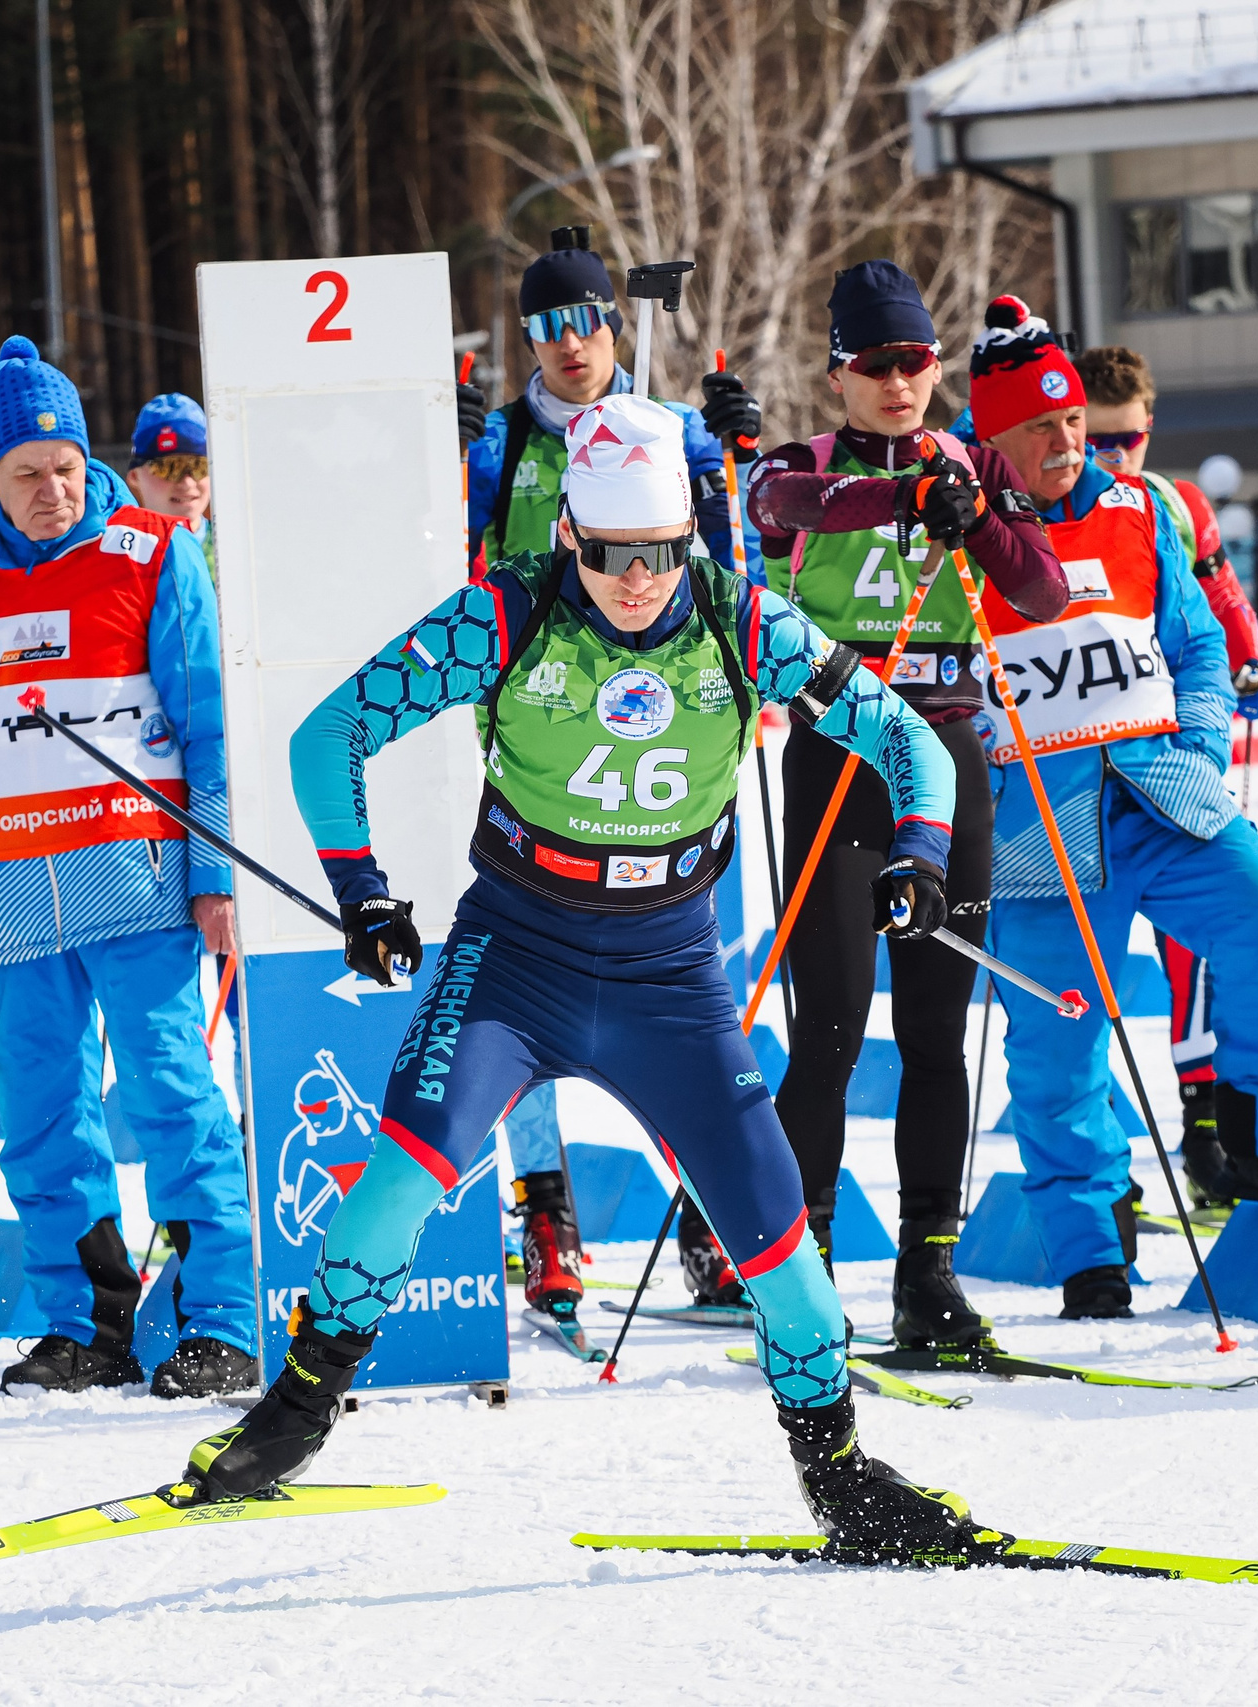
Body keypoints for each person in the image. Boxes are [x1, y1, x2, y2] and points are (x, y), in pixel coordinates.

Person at [181, 392, 990, 1563]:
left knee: (788, 1266)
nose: (635, 577)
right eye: (609, 552)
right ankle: (295, 1413)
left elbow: (909, 739)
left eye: (660, 551)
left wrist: (915, 846)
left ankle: (842, 1480)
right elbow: (327, 736)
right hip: (517, 957)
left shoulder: (744, 624)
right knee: (389, 1194)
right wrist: (359, 890)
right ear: (569, 533)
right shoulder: (501, 621)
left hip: (673, 979)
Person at [0, 336, 257, 1400]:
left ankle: (219, 1321)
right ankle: (85, 1324)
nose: (50, 491)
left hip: (135, 882)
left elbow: (207, 727)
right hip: (11, 899)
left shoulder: (149, 551)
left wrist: (214, 874)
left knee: (171, 1097)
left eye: (63, 466)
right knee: (43, 1117)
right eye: (25, 475)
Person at [968, 296, 1258, 1321]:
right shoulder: (956, 519)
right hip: (1041, 815)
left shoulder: (1137, 509)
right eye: (1039, 428)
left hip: (1160, 788)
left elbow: (1197, 642)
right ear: (991, 436)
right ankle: (1089, 1247)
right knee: (1055, 1039)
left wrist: (1202, 741)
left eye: (1072, 420)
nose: (1065, 441)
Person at [741, 260, 1065, 1346]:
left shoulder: (971, 462)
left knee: (936, 1028)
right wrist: (900, 496)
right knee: (827, 1028)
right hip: (838, 752)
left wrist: (971, 517)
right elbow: (782, 504)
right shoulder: (805, 461)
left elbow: (1041, 589)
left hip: (949, 744)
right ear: (839, 375)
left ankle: (928, 1275)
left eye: (917, 361)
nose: (899, 382)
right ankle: (805, 1279)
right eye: (876, 364)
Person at [457, 226, 765, 1319]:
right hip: (542, 745)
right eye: (542, 325)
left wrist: (739, 464)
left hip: (671, 744)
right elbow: (459, 572)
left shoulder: (674, 432)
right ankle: (548, 1218)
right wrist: (436, 466)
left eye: (584, 316)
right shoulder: (500, 444)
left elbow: (740, 572)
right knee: (522, 1003)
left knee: (688, 991)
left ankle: (709, 1217)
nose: (568, 342)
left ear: (610, 320)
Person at [1075, 344, 1258, 1203]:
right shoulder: (1050, 504)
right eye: (1101, 441)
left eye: (1131, 440)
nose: (1117, 460)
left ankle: (1204, 1128)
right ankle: (1103, 1159)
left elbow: (1222, 597)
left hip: (1170, 756)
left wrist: (1249, 663)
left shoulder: (1174, 503)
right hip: (1081, 768)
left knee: (1198, 948)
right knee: (1079, 974)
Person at [123, 393, 213, 559]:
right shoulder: (123, 554)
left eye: (199, 466)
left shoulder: (234, 545)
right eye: (168, 468)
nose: (187, 482)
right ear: (135, 476)